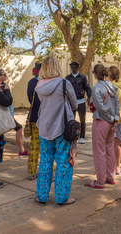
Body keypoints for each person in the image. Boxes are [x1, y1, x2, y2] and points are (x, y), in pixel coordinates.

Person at [35, 56, 78, 205]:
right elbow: (74, 103)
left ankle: (41, 196)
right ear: (56, 67)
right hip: (62, 128)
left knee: (45, 162)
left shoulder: (39, 85)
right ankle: (62, 197)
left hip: (44, 128)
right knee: (63, 162)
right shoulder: (64, 83)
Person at [86, 64, 120, 189]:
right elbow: (117, 102)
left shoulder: (96, 88)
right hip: (112, 123)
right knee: (109, 149)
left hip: (101, 121)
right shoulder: (111, 86)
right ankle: (111, 177)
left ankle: (100, 180)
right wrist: (115, 118)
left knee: (99, 151)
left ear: (95, 74)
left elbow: (100, 106)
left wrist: (109, 117)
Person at [0, 69, 28, 157]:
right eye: (4, 74)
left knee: (19, 128)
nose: (6, 76)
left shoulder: (6, 86)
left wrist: (12, 114)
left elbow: (10, 102)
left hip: (6, 113)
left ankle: (21, 150)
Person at [65, 61, 92, 144]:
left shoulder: (83, 77)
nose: (73, 69)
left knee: (82, 120)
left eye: (74, 67)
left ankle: (82, 136)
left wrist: (88, 97)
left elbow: (87, 88)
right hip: (71, 102)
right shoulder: (68, 78)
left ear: (77, 68)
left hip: (81, 101)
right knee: (71, 119)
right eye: (72, 67)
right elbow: (65, 89)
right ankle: (71, 135)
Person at [26, 62, 42, 180]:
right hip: (46, 118)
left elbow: (29, 99)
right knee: (48, 147)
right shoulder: (46, 83)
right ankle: (48, 171)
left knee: (34, 145)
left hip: (34, 117)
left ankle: (31, 171)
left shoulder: (31, 82)